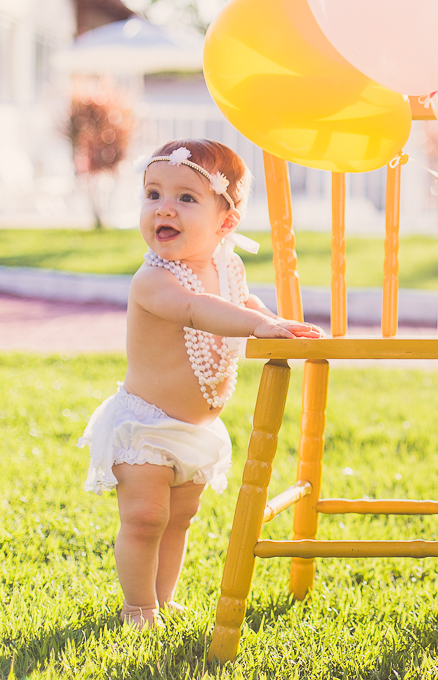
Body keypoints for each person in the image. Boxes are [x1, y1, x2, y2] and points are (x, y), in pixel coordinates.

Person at [77, 138, 322, 629]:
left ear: (225, 222)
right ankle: (137, 607)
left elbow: (242, 301)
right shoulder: (154, 280)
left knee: (179, 520)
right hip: (143, 426)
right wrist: (253, 325)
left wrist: (272, 320)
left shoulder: (226, 267)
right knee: (146, 518)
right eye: (153, 195)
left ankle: (162, 599)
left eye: (186, 198)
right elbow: (196, 310)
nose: (164, 208)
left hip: (196, 431)